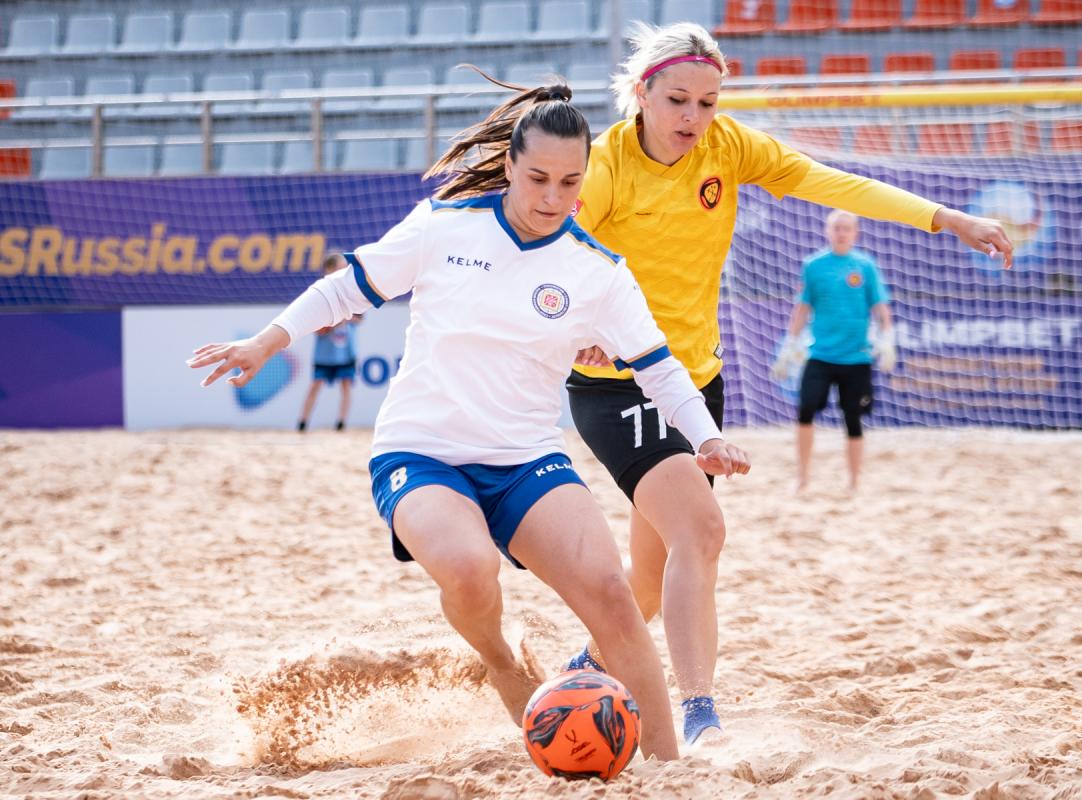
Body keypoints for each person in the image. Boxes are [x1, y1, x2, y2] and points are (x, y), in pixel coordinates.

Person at [186, 75, 752, 763]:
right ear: (509, 165)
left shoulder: (597, 271)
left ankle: (667, 767)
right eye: (538, 178)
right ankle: (500, 660)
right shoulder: (443, 226)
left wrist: (707, 437)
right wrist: (266, 340)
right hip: (421, 451)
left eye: (570, 183)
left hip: (526, 459)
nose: (552, 198)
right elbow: (346, 289)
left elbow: (659, 368)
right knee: (469, 567)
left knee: (612, 594)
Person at [563, 21, 1015, 745]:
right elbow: (557, 246)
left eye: (707, 102)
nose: (693, 116)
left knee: (652, 576)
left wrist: (945, 217)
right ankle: (701, 716)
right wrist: (576, 319)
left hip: (696, 381)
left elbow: (828, 181)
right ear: (642, 93)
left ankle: (581, 671)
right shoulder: (607, 163)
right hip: (616, 382)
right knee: (702, 531)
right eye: (678, 100)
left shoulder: (727, 147)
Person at [772, 210, 896, 492]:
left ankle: (854, 482)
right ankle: (802, 477)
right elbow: (803, 307)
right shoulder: (813, 265)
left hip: (857, 357)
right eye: (836, 228)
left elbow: (880, 306)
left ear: (855, 233)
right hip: (820, 354)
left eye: (846, 228)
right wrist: (789, 345)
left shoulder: (865, 265)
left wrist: (887, 338)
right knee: (805, 410)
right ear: (828, 231)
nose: (841, 233)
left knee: (853, 419)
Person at [297, 253, 362, 432]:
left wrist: (343, 317)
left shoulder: (353, 292)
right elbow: (316, 328)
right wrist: (332, 322)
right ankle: (302, 422)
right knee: (315, 385)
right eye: (341, 267)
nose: (345, 271)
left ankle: (341, 423)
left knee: (346, 385)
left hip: (346, 350)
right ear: (329, 269)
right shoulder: (319, 294)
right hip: (324, 352)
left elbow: (359, 319)